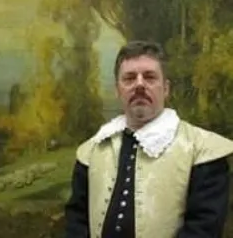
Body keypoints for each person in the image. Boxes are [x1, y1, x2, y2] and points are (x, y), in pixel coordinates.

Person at [64, 40, 233, 237]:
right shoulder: (90, 151)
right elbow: (76, 220)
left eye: (150, 77)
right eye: (129, 78)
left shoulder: (203, 150)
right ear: (118, 90)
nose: (139, 85)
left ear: (166, 88)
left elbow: (204, 229)